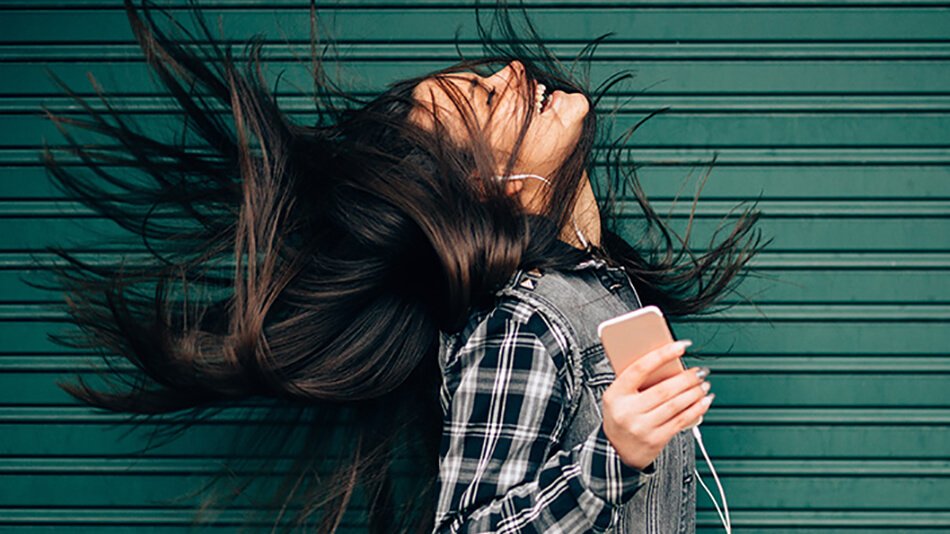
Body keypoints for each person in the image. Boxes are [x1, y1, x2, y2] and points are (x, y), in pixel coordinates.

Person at [33, 1, 767, 532]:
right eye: (483, 98)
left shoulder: (594, 291)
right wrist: (612, 457)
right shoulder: (519, 322)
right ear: (480, 187)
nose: (512, 71)